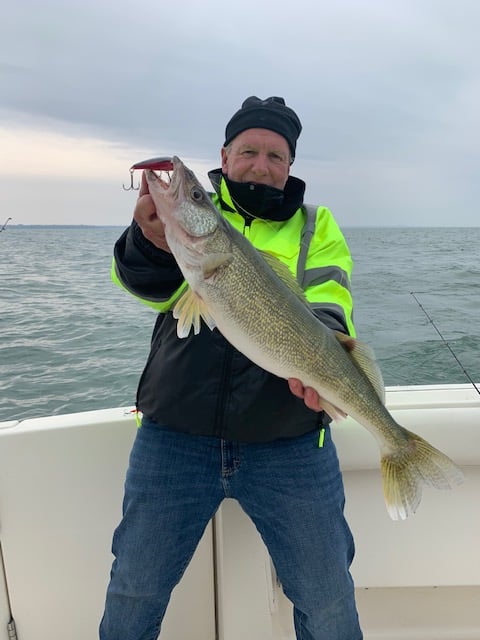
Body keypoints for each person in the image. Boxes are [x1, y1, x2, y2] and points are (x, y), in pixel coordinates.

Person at [100, 96, 362, 639]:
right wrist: (151, 240)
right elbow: (145, 287)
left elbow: (332, 306)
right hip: (175, 435)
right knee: (135, 589)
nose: (261, 164)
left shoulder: (318, 224)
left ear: (290, 164)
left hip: (289, 441)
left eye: (275, 154)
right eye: (249, 151)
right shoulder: (192, 221)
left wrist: (320, 370)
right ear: (225, 153)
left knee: (327, 598)